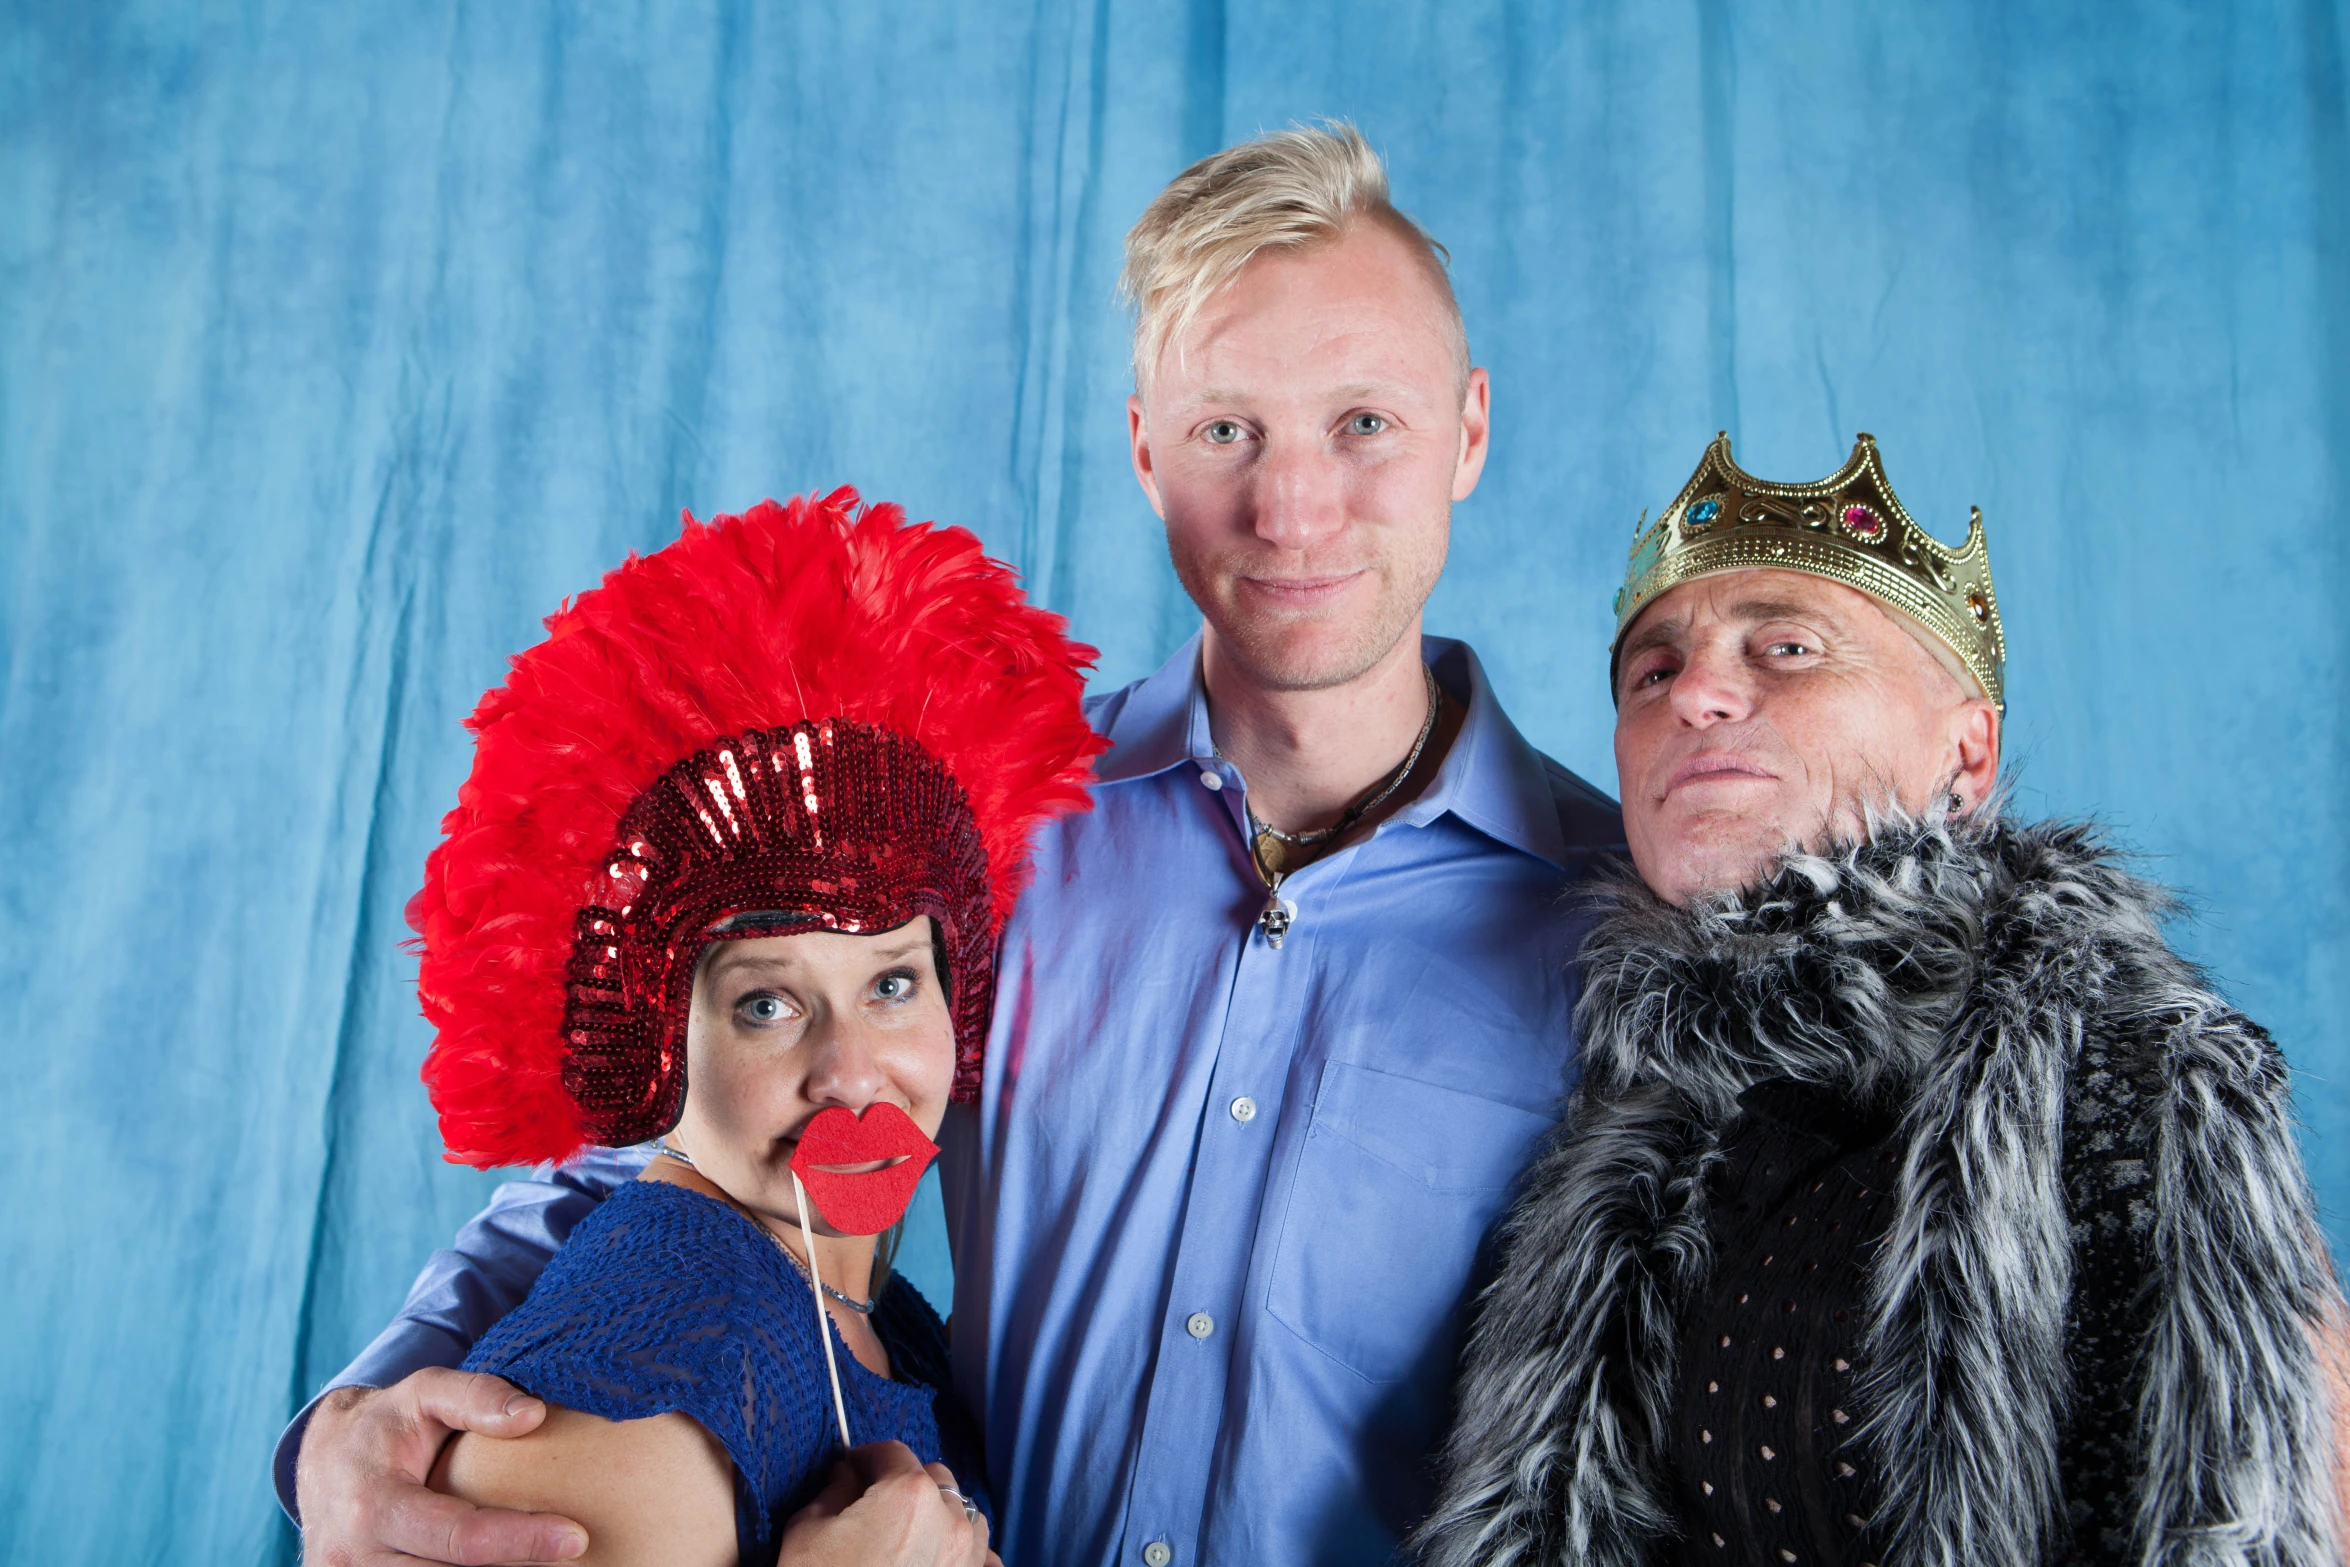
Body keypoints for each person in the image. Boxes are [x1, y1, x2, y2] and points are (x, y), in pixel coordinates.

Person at [280, 123, 1626, 1566]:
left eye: (1364, 422)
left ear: (1469, 430)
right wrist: (349, 1431)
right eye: (1227, 429)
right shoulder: (994, 819)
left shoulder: (1613, 927)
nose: (1291, 506)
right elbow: (697, 1146)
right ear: (1142, 450)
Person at [1413, 434, 2345, 1566]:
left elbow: (2250, 1523)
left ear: (1967, 754)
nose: (1696, 691)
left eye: (1788, 647)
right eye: (1651, 672)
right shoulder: (1617, 1111)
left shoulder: (2133, 1078)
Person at [392, 490, 1101, 1565]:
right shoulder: (640, 1393)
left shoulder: (860, 1300)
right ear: (662, 1040)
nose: (852, 1075)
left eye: (893, 985)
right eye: (767, 1004)